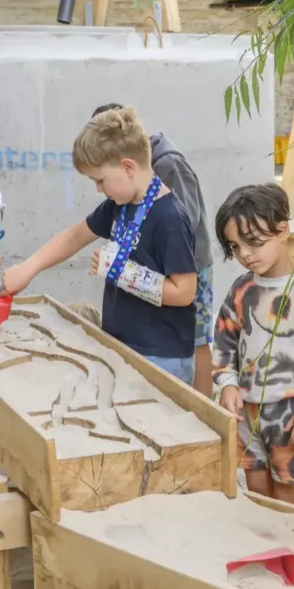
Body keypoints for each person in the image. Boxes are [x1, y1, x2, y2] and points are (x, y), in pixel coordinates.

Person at [0, 107, 198, 381]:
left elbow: (185, 291)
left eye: (100, 180)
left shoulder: (170, 217)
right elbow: (75, 236)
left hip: (161, 355)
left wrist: (122, 273)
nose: (99, 189)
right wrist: (28, 269)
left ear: (128, 167)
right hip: (123, 342)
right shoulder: (119, 205)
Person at [212, 183, 294, 507]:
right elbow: (224, 337)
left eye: (254, 242)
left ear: (283, 230)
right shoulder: (242, 289)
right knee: (256, 492)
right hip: (247, 411)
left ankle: (293, 557)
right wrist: (227, 383)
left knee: (289, 501)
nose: (244, 253)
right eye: (235, 245)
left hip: (293, 413)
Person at [92, 103, 215, 396]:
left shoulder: (167, 164)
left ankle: (203, 407)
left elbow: (186, 220)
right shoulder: (126, 180)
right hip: (155, 269)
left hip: (189, 264)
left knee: (198, 337)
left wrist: (132, 271)